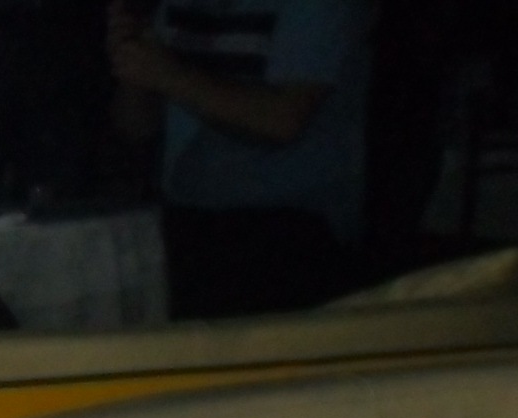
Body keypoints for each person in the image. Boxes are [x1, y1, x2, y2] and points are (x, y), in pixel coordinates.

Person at [108, 0, 375, 316]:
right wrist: (133, 60)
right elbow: (137, 127)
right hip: (187, 217)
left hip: (293, 227)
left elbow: (283, 119)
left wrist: (170, 75)